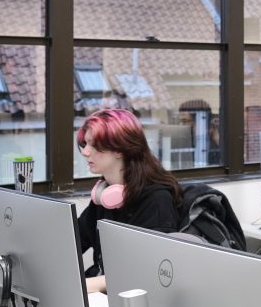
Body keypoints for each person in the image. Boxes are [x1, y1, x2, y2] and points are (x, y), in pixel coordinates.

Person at [77, 109, 182, 293]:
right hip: (105, 294)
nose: (85, 152)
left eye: (93, 145)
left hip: (133, 303)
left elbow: (150, 273)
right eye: (85, 144)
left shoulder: (156, 200)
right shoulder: (103, 196)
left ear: (119, 149)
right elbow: (75, 242)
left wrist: (85, 285)